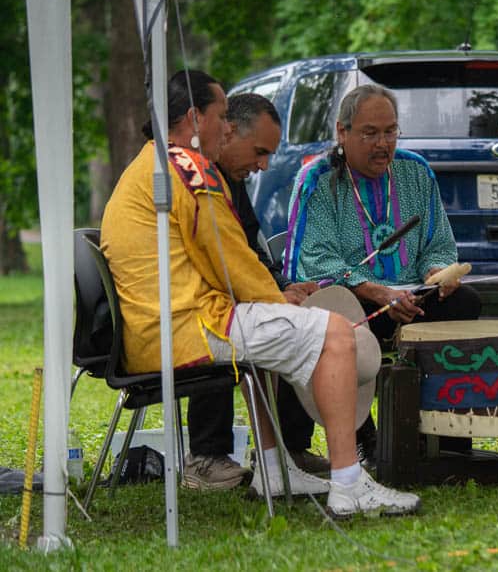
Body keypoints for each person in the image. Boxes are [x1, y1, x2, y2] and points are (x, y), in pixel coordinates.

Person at [101, 69, 420, 517]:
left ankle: (274, 469)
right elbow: (232, 258)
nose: (227, 127)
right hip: (186, 330)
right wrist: (277, 298)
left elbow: (221, 259)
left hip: (159, 330)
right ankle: (350, 484)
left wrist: (271, 297)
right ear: (195, 118)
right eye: (222, 116)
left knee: (275, 332)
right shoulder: (189, 169)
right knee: (335, 333)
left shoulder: (151, 163)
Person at [284, 84, 481, 453]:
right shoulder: (319, 180)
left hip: (410, 297)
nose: (382, 144)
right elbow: (318, 260)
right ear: (342, 133)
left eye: (390, 131)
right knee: (333, 314)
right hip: (358, 302)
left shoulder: (415, 172)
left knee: (464, 303)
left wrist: (437, 274)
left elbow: (437, 243)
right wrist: (380, 294)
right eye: (370, 133)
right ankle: (361, 436)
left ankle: (445, 432)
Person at [183, 93, 330, 490]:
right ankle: (205, 457)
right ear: (228, 132)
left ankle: (286, 450)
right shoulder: (198, 180)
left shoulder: (230, 179)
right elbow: (225, 264)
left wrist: (283, 286)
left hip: (222, 300)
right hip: (191, 314)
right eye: (260, 152)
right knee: (241, 317)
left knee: (296, 316)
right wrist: (272, 295)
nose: (264, 165)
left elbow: (249, 248)